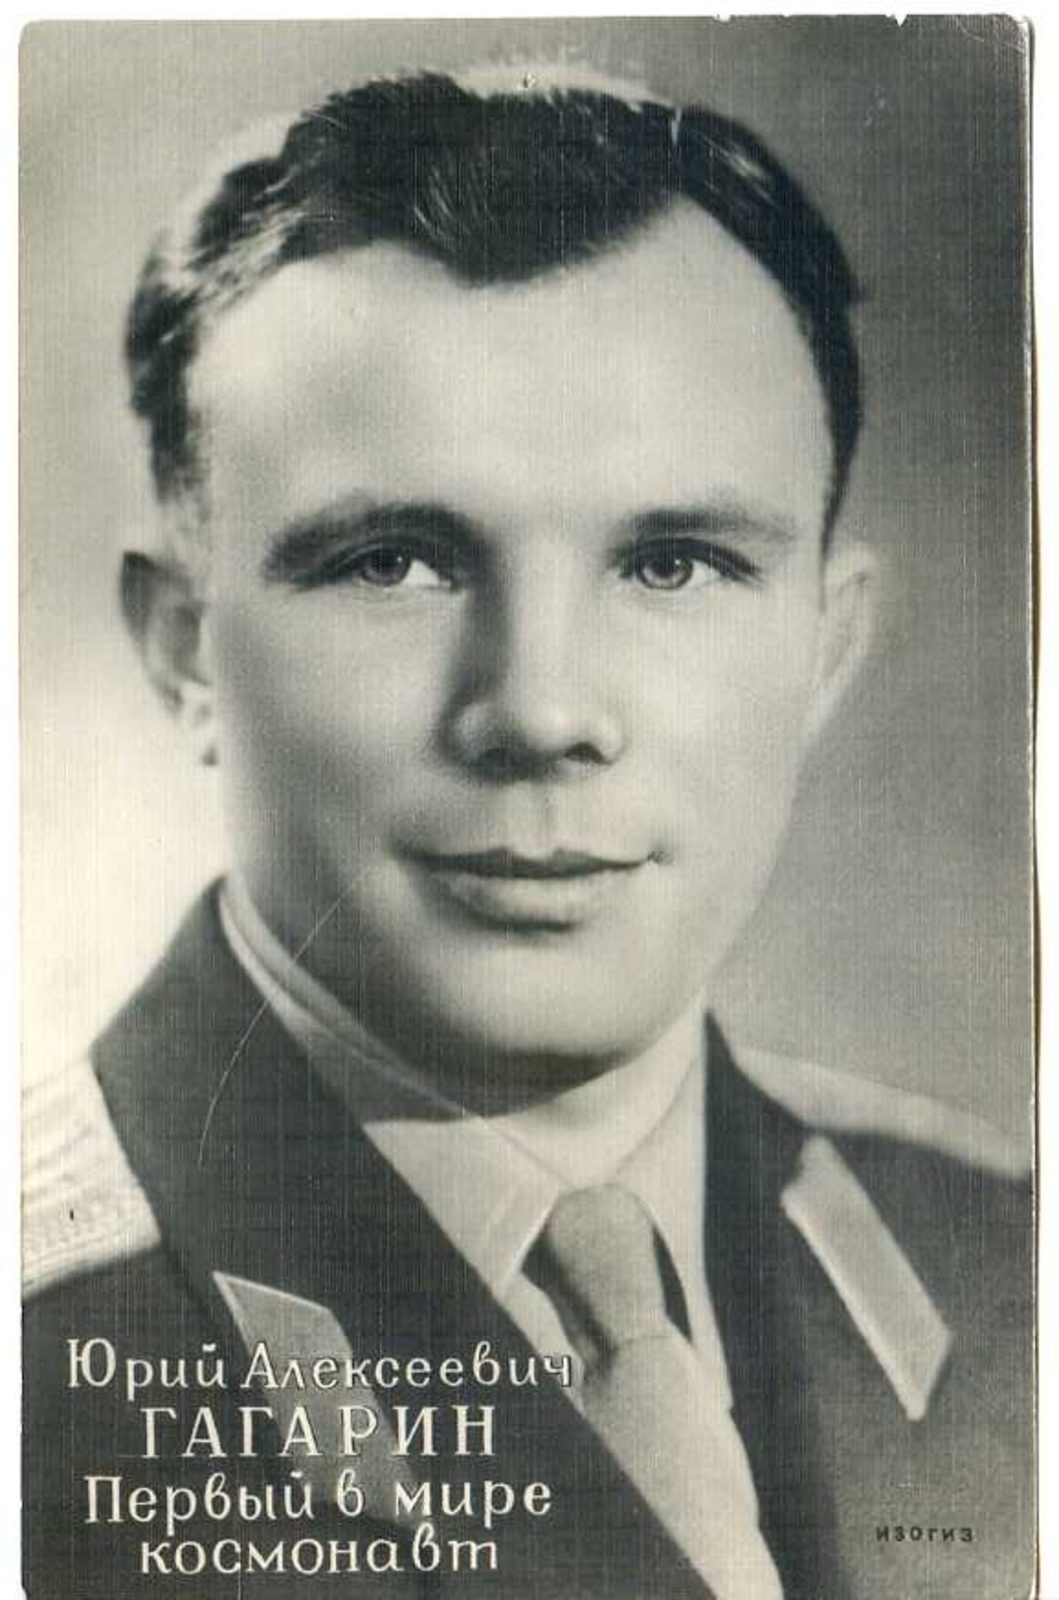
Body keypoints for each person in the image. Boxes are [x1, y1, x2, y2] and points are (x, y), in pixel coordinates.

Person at [23, 67, 1033, 1599]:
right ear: (184, 653)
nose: (543, 711)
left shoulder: (1005, 1267)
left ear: (824, 652)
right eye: (393, 562)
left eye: (674, 564)